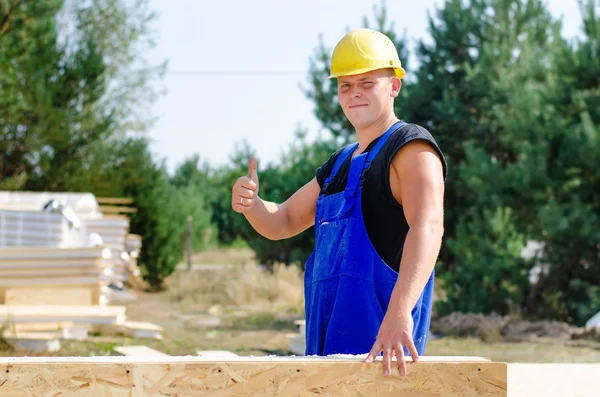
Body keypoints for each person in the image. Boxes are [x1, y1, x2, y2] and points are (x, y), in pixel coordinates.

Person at [231, 28, 447, 377]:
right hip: (326, 359)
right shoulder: (339, 165)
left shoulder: (411, 149)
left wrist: (399, 312)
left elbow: (429, 226)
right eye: (345, 85)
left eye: (366, 82)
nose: (354, 93)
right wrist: (252, 204)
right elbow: (283, 220)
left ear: (394, 86)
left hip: (383, 353)